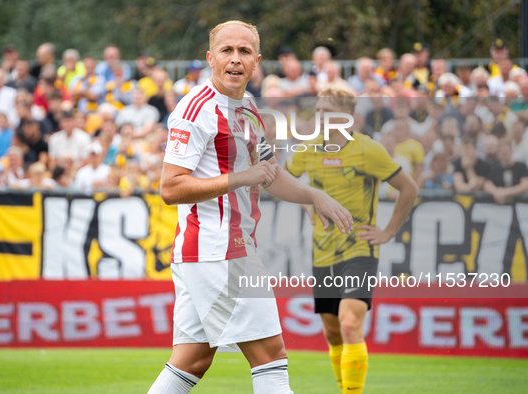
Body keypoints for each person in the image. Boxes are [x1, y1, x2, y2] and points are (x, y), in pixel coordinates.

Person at [147, 20, 353, 394]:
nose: (235, 59)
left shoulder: (248, 107)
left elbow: (269, 174)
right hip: (220, 250)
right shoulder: (196, 110)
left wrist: (314, 195)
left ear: (256, 62)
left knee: (192, 360)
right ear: (211, 58)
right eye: (227, 50)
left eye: (244, 52)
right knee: (271, 357)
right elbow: (170, 187)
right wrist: (244, 176)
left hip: (210, 252)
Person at [285, 86, 418, 394]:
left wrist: (387, 232)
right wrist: (307, 204)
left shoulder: (367, 150)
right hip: (322, 251)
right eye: (318, 111)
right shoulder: (307, 150)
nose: (320, 118)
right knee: (332, 332)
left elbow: (408, 188)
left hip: (359, 247)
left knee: (349, 323)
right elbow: (287, 182)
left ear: (347, 117)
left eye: (327, 112)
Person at [484, 140, 528, 204]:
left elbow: (525, 185)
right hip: (500, 206)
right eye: (501, 151)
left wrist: (505, 192)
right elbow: (487, 184)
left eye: (506, 151)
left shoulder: (521, 166)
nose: (504, 153)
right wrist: (496, 192)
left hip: (520, 204)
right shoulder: (494, 167)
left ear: (512, 151)